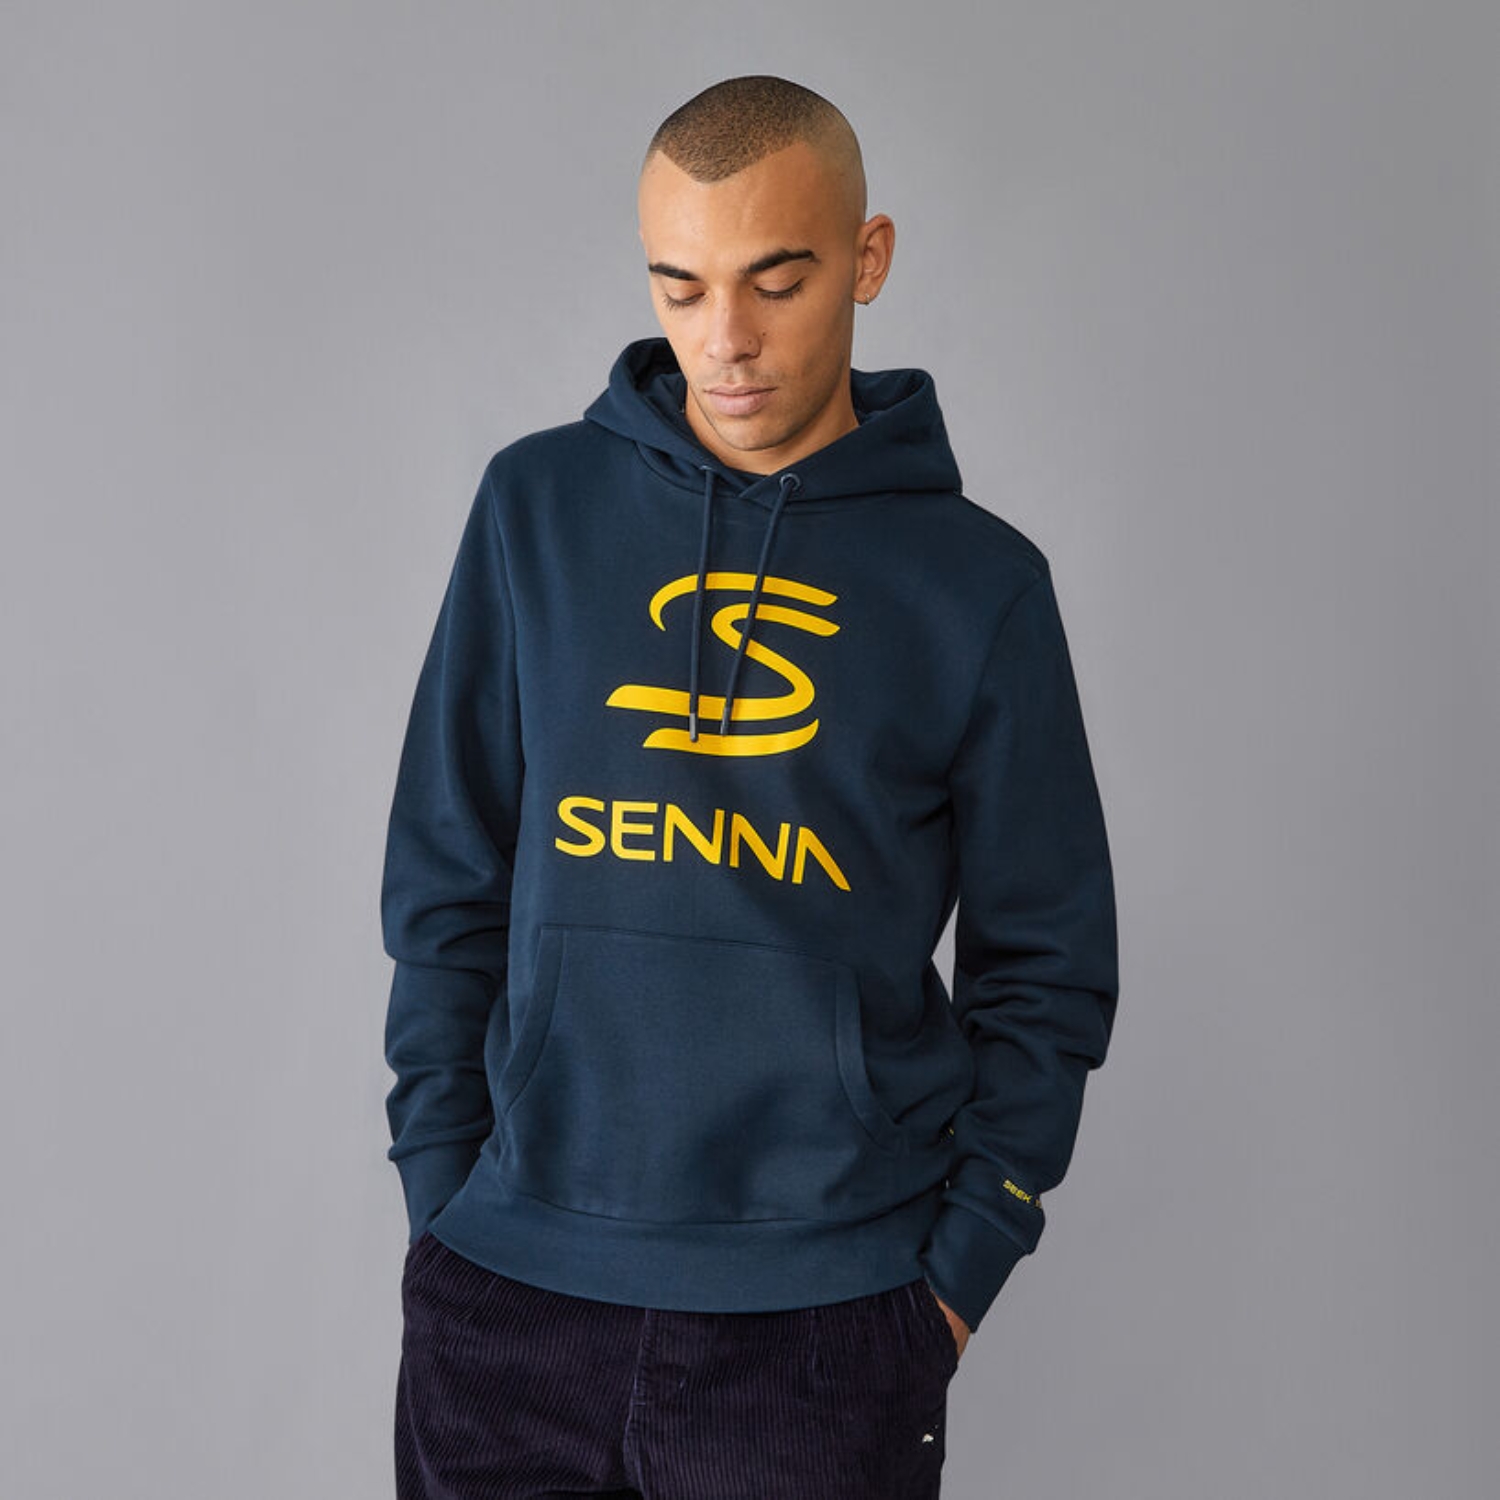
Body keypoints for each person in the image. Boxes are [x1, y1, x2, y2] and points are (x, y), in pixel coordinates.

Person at [382, 74, 1119, 1500]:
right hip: (508, 1301)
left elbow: (1047, 965)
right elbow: (446, 873)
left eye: (776, 283)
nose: (724, 339)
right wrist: (439, 1194)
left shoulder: (979, 588)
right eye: (681, 286)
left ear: (867, 258)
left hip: (825, 1331)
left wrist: (959, 1272)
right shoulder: (536, 512)